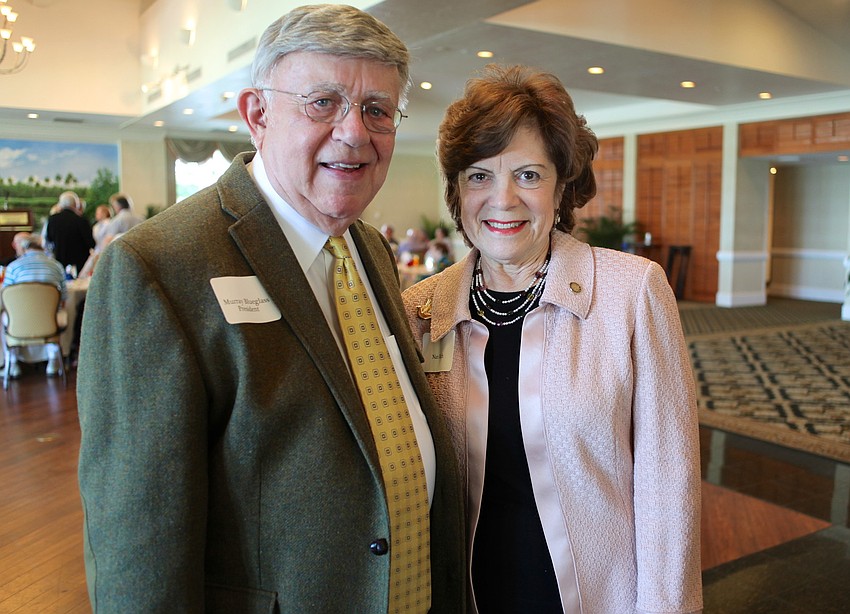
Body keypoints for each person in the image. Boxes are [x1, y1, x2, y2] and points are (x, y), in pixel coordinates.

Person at [77, 5, 464, 613]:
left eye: (377, 110)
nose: (354, 132)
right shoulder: (159, 268)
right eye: (323, 103)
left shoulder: (371, 249)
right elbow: (139, 550)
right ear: (257, 114)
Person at [402, 65, 702, 613]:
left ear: (563, 185)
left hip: (595, 596)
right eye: (479, 176)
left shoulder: (631, 293)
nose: (504, 199)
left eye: (529, 175)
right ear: (455, 189)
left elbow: (669, 485)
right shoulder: (422, 309)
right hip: (464, 594)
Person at [2, 232, 67, 377]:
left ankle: (12, 363)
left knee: (4, 317)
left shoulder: (13, 267)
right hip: (50, 320)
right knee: (59, 312)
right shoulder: (56, 266)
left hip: (19, 322)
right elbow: (63, 298)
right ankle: (53, 360)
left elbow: (6, 298)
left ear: (24, 249)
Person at [44, 190, 95, 274]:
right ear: (76, 204)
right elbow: (91, 243)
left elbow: (49, 238)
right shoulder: (82, 221)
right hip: (80, 263)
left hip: (60, 260)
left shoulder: (52, 219)